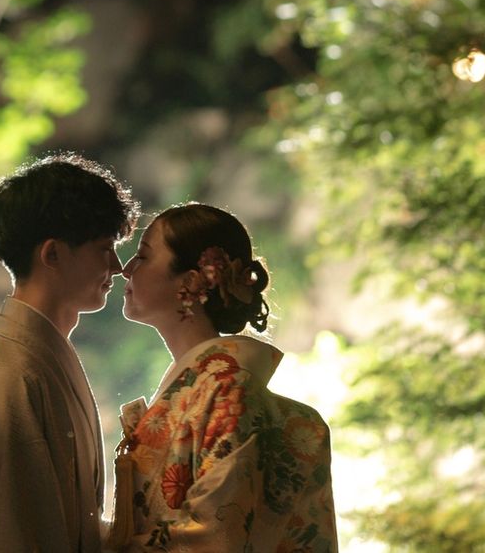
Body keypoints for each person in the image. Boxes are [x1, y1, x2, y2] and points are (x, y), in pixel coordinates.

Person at [0, 152, 140, 553]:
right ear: (52, 254)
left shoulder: (36, 359)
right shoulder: (14, 377)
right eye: (103, 248)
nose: (117, 266)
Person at [106, 203, 339, 552]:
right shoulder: (209, 387)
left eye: (143, 256)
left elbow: (213, 537)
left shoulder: (228, 390)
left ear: (189, 281)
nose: (127, 269)